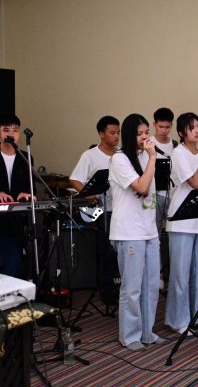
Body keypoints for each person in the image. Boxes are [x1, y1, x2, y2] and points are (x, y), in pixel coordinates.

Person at [109, 113, 167, 351]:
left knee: (152, 285)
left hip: (148, 230)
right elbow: (142, 187)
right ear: (129, 135)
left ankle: (147, 332)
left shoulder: (145, 157)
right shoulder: (119, 159)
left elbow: (149, 196)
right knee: (132, 287)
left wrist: (150, 157)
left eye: (146, 133)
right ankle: (130, 336)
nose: (145, 137)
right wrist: (153, 157)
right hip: (128, 231)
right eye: (140, 134)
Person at [164, 112, 198, 336]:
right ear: (181, 133)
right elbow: (195, 183)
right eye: (192, 127)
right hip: (182, 222)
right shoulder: (179, 153)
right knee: (181, 273)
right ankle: (178, 320)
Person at [69, 116, 120, 305]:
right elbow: (75, 179)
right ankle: (107, 290)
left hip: (121, 209)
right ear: (101, 134)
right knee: (107, 251)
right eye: (112, 133)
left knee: (120, 250)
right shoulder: (90, 155)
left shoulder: (121, 154)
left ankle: (119, 287)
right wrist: (88, 193)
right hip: (102, 211)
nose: (116, 136)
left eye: (118, 132)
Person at [0, 113, 35, 277]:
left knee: (16, 260)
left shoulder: (25, 157)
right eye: (6, 130)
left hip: (16, 220)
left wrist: (27, 193)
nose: (11, 134)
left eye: (15, 130)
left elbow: (30, 187)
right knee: (11, 259)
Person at [150, 108, 178, 290]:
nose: (164, 131)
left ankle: (172, 273)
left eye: (167, 127)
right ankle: (157, 274)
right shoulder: (148, 144)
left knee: (174, 235)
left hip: (174, 195)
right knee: (154, 235)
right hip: (153, 196)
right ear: (154, 125)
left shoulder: (176, 145)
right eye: (161, 127)